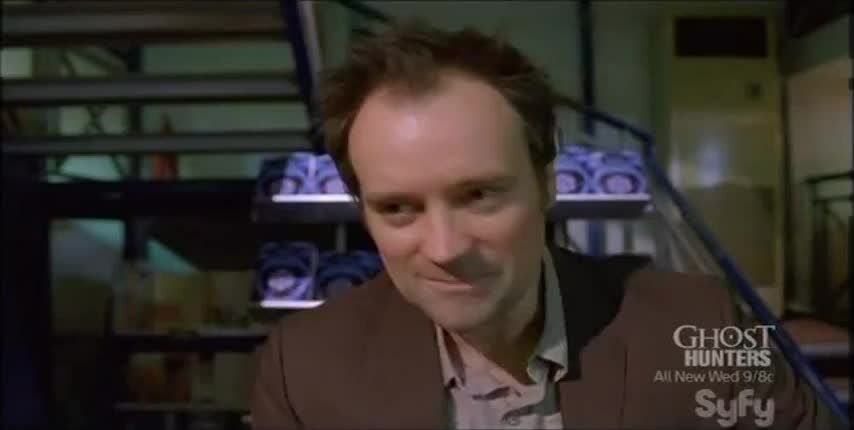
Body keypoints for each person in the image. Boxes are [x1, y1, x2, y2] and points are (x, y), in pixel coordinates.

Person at [251, 22, 828, 430]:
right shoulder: (305, 368)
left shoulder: (699, 325)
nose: (445, 248)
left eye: (479, 195)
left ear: (547, 181)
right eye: (398, 208)